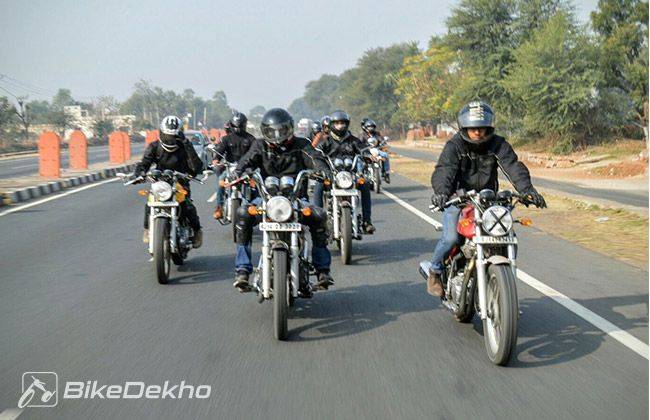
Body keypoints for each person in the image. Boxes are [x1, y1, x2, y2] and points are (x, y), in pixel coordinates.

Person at [427, 101, 546, 296]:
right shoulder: (455, 145)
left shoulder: (498, 144)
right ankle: (435, 270)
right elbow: (444, 170)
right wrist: (441, 192)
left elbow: (513, 167)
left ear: (488, 127)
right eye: (473, 129)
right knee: (451, 238)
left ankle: (504, 287)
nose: (478, 133)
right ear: (464, 128)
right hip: (459, 198)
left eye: (481, 128)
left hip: (489, 202)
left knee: (508, 237)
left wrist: (527, 190)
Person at [231, 108, 334, 292]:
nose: (277, 135)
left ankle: (322, 270)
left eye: (281, 130)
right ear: (265, 131)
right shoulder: (260, 145)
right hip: (266, 201)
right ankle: (243, 270)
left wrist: (323, 170)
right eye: (272, 131)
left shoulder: (302, 145)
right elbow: (246, 161)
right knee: (243, 214)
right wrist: (237, 173)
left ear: (289, 128)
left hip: (296, 200)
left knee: (319, 215)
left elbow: (315, 158)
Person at [135, 115, 205, 248]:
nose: (170, 139)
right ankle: (148, 229)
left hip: (180, 182)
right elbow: (144, 163)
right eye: (168, 135)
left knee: (187, 205)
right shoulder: (154, 146)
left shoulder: (185, 147)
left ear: (179, 134)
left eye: (174, 136)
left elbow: (196, 167)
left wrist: (186, 144)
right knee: (150, 203)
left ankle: (197, 231)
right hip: (160, 182)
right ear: (162, 132)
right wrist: (140, 173)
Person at [316, 110, 375, 234]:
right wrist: (321, 167)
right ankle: (318, 221)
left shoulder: (353, 140)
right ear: (332, 125)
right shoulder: (326, 141)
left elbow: (363, 149)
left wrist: (368, 155)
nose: (340, 126)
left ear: (347, 124)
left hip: (350, 175)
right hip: (332, 174)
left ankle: (366, 221)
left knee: (364, 184)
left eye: (342, 123)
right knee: (319, 185)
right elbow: (317, 154)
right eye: (337, 124)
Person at [211, 112, 256, 219]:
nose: (238, 128)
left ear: (244, 125)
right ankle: (219, 207)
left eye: (240, 126)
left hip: (245, 169)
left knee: (256, 185)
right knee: (221, 182)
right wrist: (216, 160)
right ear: (231, 125)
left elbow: (256, 153)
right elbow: (219, 151)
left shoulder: (251, 139)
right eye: (235, 126)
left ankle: (256, 207)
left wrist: (255, 164)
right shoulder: (227, 139)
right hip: (230, 168)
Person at [360, 118, 390, 183]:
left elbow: (381, 140)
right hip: (367, 151)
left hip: (376, 150)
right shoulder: (362, 135)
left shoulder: (377, 134)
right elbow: (359, 143)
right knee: (359, 158)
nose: (371, 128)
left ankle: (386, 173)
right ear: (365, 127)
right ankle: (360, 173)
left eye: (372, 127)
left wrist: (384, 143)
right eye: (369, 127)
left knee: (385, 155)